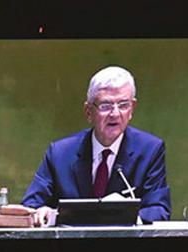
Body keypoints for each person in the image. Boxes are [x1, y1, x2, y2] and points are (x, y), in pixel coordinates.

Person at [22, 66, 170, 226]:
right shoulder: (60, 153)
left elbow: (159, 209)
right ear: (88, 111)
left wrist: (124, 216)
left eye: (123, 105)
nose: (115, 114)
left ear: (132, 108)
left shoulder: (150, 150)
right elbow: (30, 205)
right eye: (105, 105)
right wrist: (41, 211)